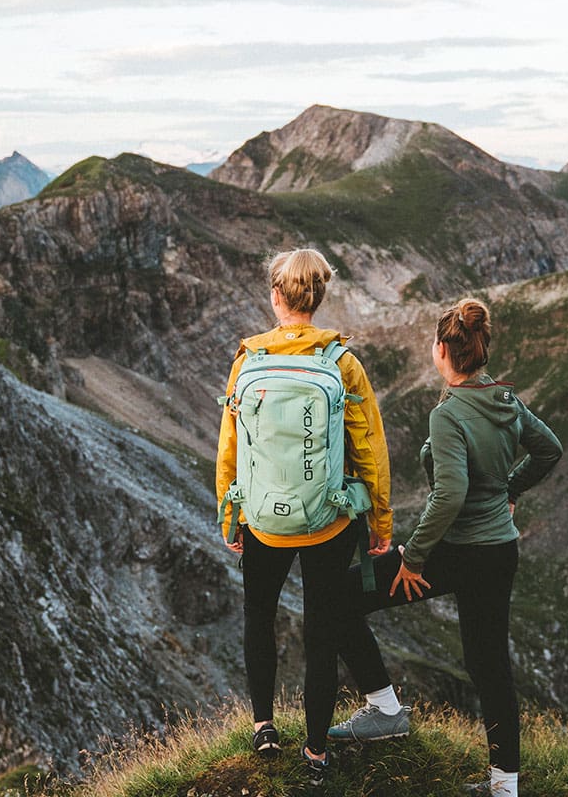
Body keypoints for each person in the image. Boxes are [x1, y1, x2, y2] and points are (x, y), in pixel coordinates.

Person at [328, 298, 562, 797]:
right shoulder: (505, 400)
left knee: (340, 598)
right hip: (500, 551)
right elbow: (550, 449)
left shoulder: (451, 412)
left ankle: (386, 711)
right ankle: (504, 787)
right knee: (489, 666)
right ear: (480, 351)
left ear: (441, 350)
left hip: (453, 553)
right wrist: (511, 491)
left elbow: (450, 493)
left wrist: (412, 558)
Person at [215, 248, 393, 785]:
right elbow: (370, 449)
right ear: (318, 298)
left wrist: (232, 516)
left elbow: (231, 447)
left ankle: (265, 726)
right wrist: (380, 523)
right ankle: (316, 753)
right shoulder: (342, 363)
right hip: (329, 523)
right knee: (323, 631)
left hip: (263, 521)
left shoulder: (248, 361)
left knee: (257, 618)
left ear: (276, 297)